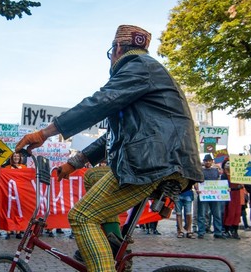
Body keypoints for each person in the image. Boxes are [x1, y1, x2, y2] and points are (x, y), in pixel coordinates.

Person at [16, 24, 203, 272]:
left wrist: (44, 133)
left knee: (82, 217)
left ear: (116, 48)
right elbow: (116, 136)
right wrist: (74, 163)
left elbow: (99, 103)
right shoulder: (146, 71)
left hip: (155, 162)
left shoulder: (137, 66)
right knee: (93, 176)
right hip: (162, 160)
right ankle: (113, 243)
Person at [196, 154, 224, 239]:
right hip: (203, 194)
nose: (207, 162)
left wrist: (224, 189)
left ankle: (218, 232)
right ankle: (201, 232)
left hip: (215, 195)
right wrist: (197, 189)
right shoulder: (200, 171)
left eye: (209, 160)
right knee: (202, 214)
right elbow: (196, 181)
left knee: (217, 214)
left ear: (212, 161)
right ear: (203, 162)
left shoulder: (216, 171)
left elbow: (220, 182)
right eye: (206, 161)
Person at [1, 152, 27, 239]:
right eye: (14, 156)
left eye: (17, 156)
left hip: (20, 193)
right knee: (9, 212)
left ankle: (18, 231)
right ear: (12, 158)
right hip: (9, 193)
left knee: (19, 212)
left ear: (20, 158)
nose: (16, 158)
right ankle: (8, 231)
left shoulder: (24, 167)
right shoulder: (7, 168)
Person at [220, 160, 242, 239]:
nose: (229, 164)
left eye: (230, 163)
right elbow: (223, 186)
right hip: (228, 196)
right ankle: (227, 230)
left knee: (237, 212)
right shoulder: (223, 175)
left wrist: (240, 186)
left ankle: (235, 230)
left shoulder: (238, 174)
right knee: (229, 212)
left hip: (237, 196)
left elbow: (242, 184)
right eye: (227, 163)